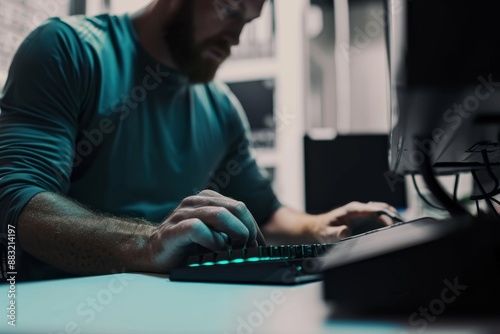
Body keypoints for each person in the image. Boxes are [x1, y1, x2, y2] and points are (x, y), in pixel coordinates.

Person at [0, 0, 396, 280]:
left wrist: (319, 227)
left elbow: (265, 213)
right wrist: (146, 244)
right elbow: (14, 200)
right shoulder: (68, 50)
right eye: (229, 10)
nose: (236, 38)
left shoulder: (222, 108)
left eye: (249, 20)